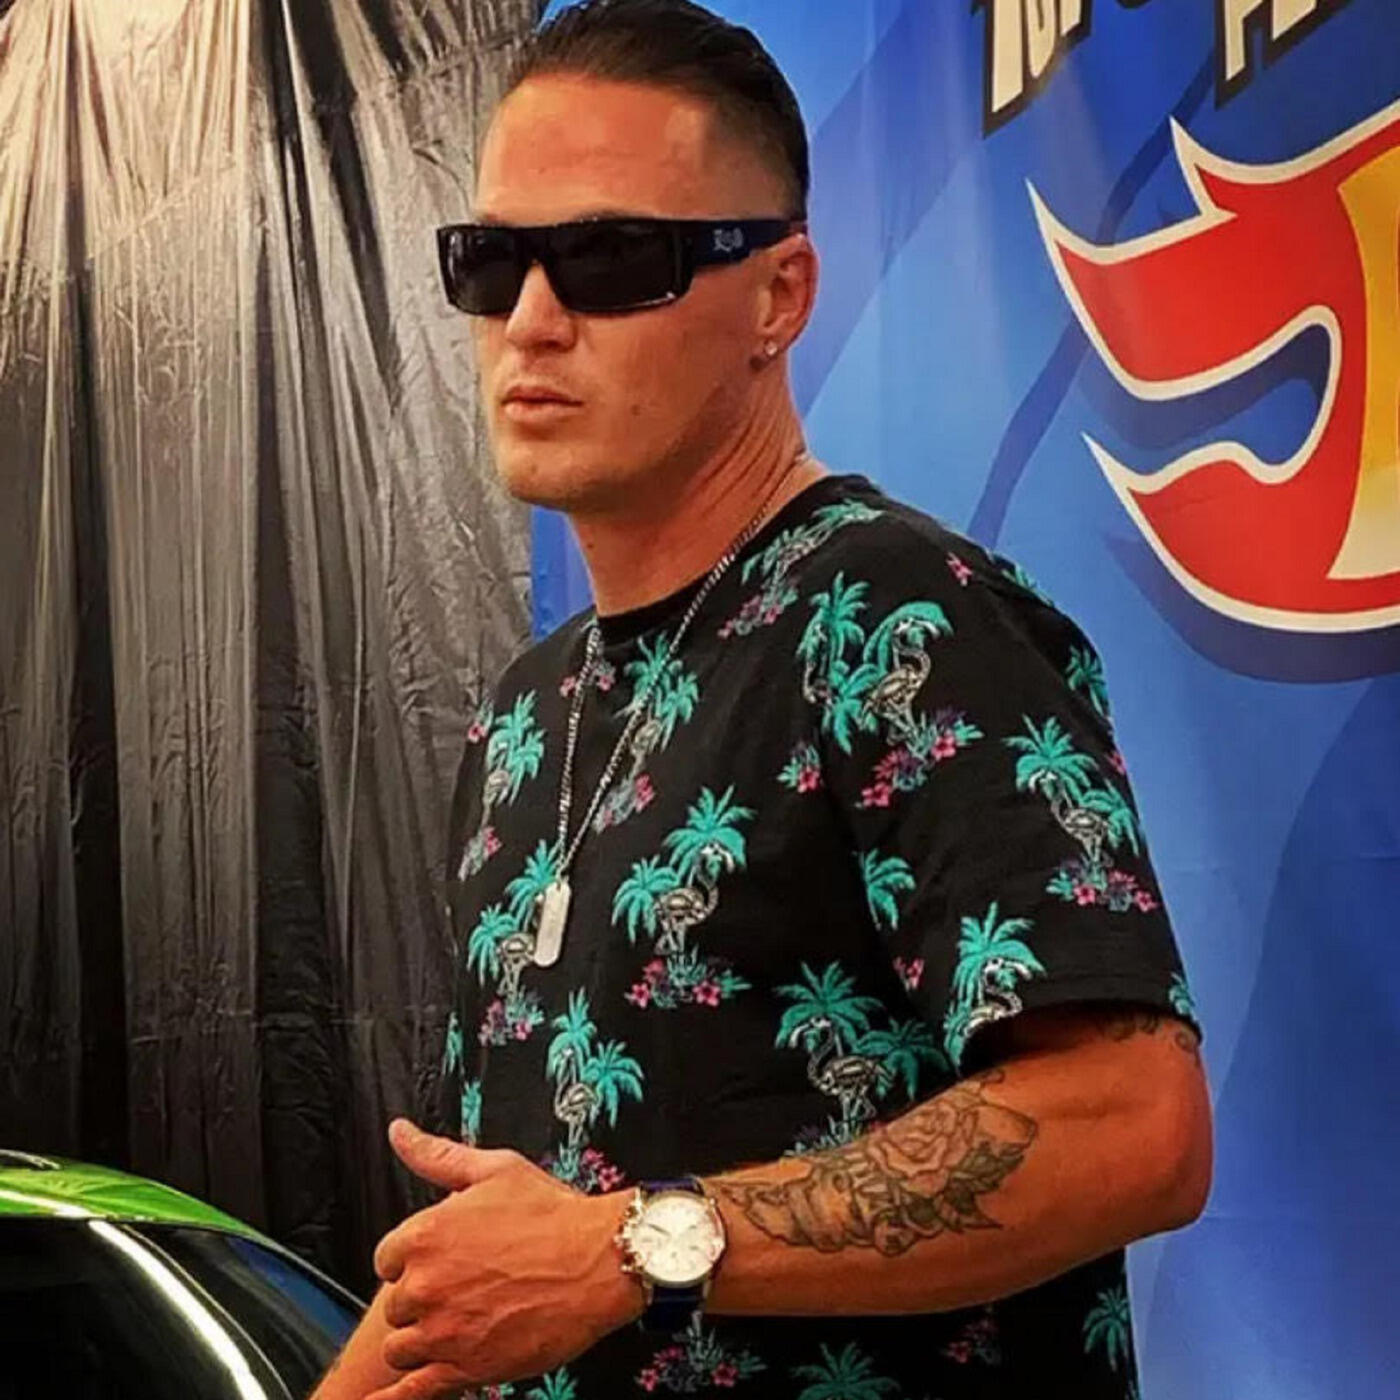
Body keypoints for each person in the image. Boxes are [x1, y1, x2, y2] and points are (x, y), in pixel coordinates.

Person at [313, 2, 1212, 1397]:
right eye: (490, 263)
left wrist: (636, 1248)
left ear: (780, 295)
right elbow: (500, 1253)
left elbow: (1132, 1125)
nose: (531, 321)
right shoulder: (524, 717)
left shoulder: (904, 616)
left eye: (613, 259)